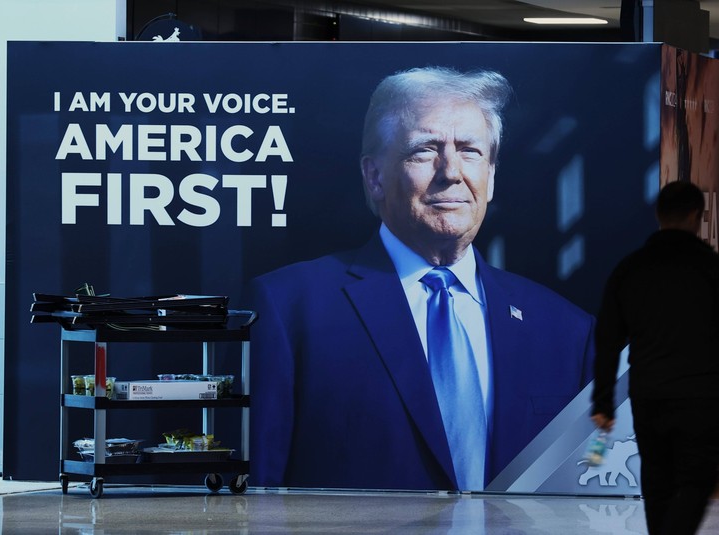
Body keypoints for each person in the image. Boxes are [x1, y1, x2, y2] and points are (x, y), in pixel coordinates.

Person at [249, 66, 595, 492]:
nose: (451, 172)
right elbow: (258, 497)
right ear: (374, 176)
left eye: (470, 151)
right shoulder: (290, 309)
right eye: (424, 151)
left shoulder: (566, 330)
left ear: (490, 178)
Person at [591, 180, 719, 534]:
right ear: (696, 216)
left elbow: (608, 339)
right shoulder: (713, 267)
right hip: (698, 396)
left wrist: (603, 401)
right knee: (698, 479)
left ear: (659, 215)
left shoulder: (629, 269)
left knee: (657, 483)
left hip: (649, 396)